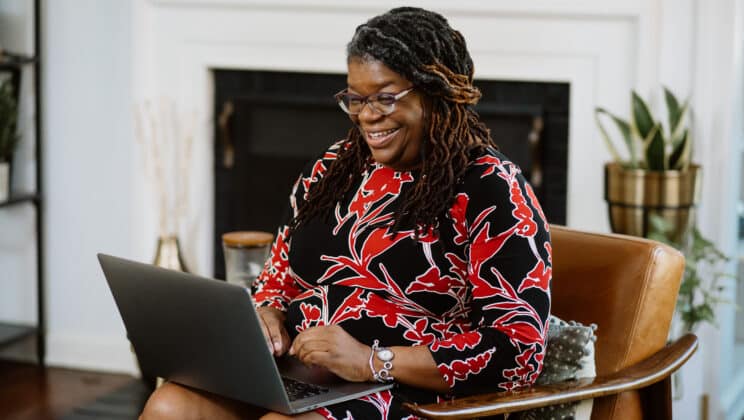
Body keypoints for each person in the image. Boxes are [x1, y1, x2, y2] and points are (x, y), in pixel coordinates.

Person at [140, 7, 551, 420]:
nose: (367, 115)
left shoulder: (492, 188)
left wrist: (371, 360)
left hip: (412, 394)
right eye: (356, 98)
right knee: (169, 406)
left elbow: (518, 352)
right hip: (300, 377)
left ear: (435, 91)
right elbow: (276, 280)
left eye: (386, 97)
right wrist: (267, 314)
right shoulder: (331, 169)